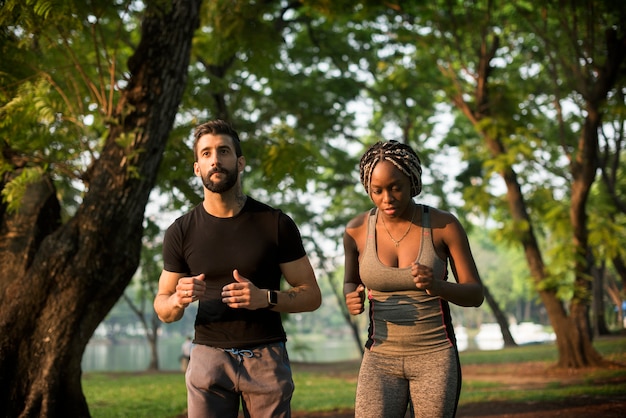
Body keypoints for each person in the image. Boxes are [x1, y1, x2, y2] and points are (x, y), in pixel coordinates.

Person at [154, 119, 322, 418]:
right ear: (197, 168)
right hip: (208, 357)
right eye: (205, 153)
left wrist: (265, 298)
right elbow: (163, 307)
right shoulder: (180, 231)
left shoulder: (275, 223)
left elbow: (311, 295)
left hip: (266, 355)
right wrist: (178, 299)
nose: (215, 159)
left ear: (240, 162)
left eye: (223, 151)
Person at [343, 140, 484, 418]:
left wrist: (437, 285)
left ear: (412, 182)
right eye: (377, 190)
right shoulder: (356, 230)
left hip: (435, 355)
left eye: (396, 187)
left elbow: (475, 293)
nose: (387, 198)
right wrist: (352, 297)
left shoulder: (444, 225)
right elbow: (351, 281)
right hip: (379, 358)